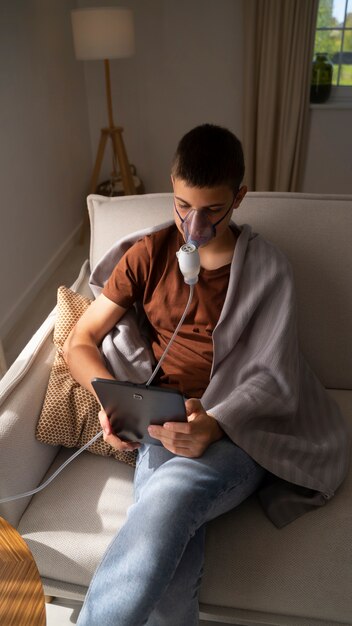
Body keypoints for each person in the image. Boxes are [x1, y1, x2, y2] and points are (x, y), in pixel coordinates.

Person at [64, 124, 349, 626]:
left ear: (239, 197)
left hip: (239, 433)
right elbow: (80, 340)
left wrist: (213, 423)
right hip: (160, 420)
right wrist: (111, 400)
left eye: (212, 210)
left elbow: (273, 378)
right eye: (181, 205)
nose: (192, 225)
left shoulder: (268, 270)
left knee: (168, 501)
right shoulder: (148, 256)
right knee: (169, 537)